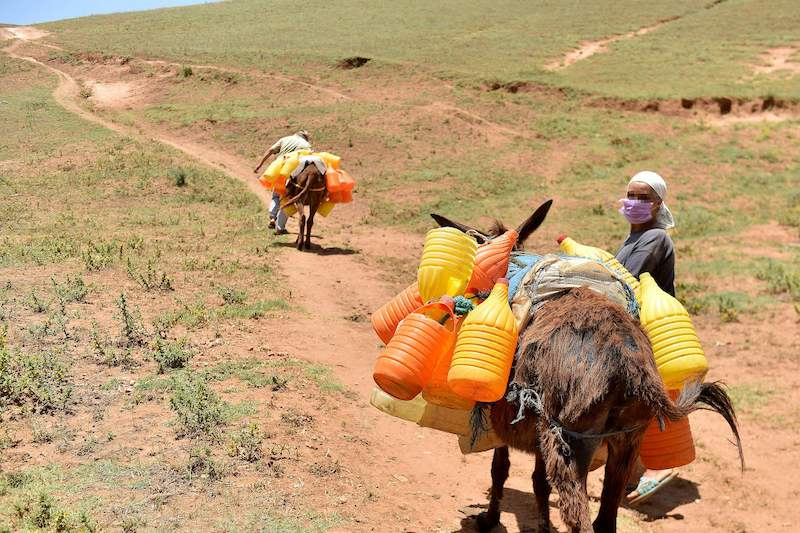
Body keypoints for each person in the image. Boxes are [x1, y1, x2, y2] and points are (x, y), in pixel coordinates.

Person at [615, 170, 678, 505]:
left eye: (644, 198)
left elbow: (626, 279)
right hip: (633, 326)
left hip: (653, 330)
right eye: (631, 195)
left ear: (657, 204)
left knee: (649, 396)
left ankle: (659, 466)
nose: (635, 203)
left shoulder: (656, 238)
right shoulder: (631, 239)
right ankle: (635, 468)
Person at [253, 130, 312, 235]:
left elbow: (270, 150)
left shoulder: (285, 139)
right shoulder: (306, 144)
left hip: (279, 171)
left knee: (276, 196)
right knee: (287, 199)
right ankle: (280, 228)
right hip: (294, 174)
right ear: (305, 138)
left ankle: (272, 217)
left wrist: (259, 164)